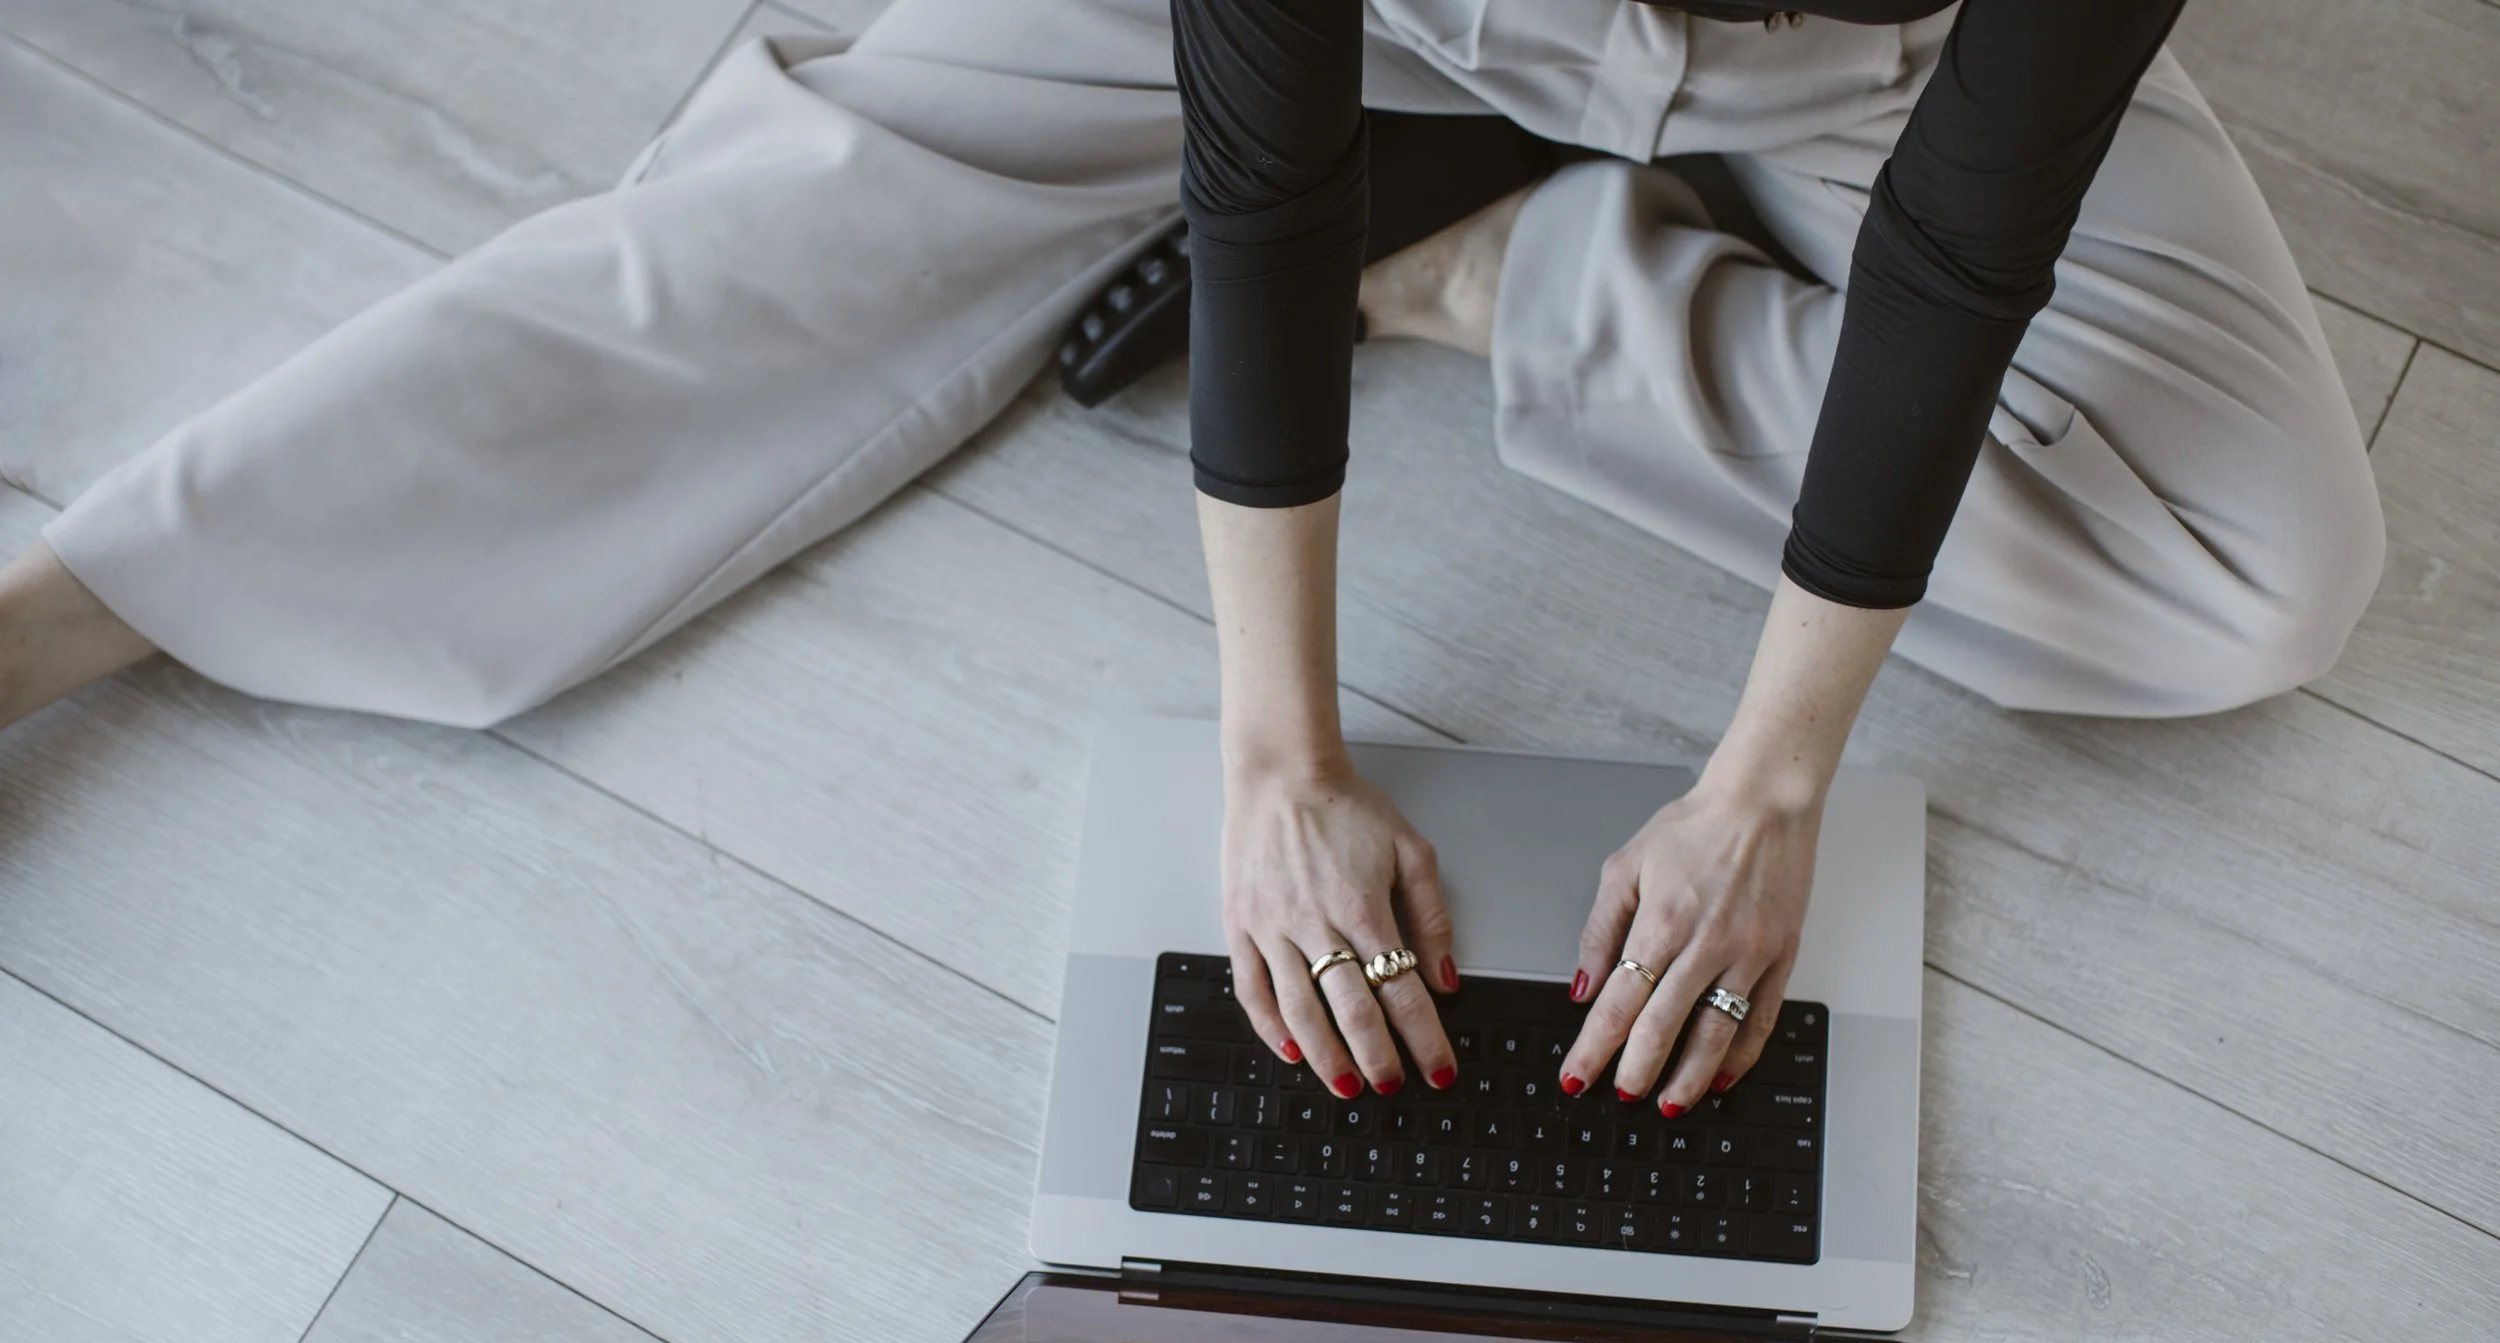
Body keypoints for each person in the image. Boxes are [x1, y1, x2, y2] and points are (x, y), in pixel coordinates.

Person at [2, 0, 2382, 1112]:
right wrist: (1276, 752)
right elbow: (1255, 183)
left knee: (2248, 568)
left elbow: (1967, 240)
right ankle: (71, 611)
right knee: (794, 231)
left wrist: (1767, 777)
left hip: (1858, 74)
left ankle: (1486, 269)